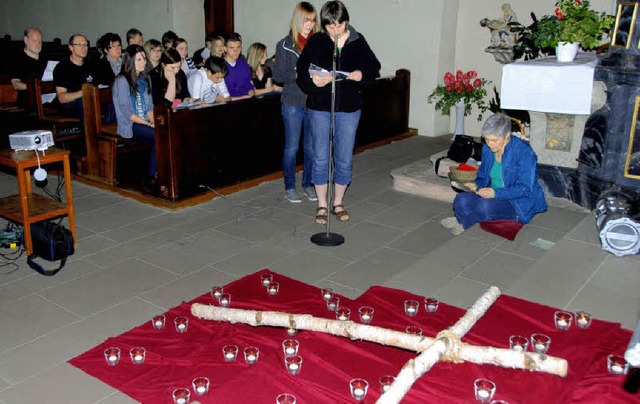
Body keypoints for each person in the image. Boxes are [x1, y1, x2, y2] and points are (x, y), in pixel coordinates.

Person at [297, 0, 380, 224]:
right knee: (321, 157)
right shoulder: (316, 41)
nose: (334, 30)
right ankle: (322, 205)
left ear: (346, 22)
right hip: (320, 108)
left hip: (349, 109)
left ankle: (338, 202)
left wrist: (362, 75)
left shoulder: (357, 41)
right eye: (330, 26)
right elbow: (302, 74)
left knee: (343, 158)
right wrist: (316, 82)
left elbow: (374, 68)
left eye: (339, 25)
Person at [441, 113, 548, 235]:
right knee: (461, 199)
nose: (490, 144)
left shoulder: (524, 152)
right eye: (487, 139)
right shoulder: (487, 149)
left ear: (507, 136)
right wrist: (476, 185)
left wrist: (495, 193)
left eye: (494, 140)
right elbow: (482, 176)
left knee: (484, 206)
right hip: (491, 193)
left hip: (517, 201)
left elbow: (525, 189)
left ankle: (465, 223)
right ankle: (464, 220)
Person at [274, 1, 319, 203]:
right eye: (306, 21)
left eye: (312, 21)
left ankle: (308, 184)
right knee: (292, 147)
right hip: (292, 101)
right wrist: (299, 71)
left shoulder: (318, 42)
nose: (309, 25)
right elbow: (279, 75)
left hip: (313, 101)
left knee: (311, 147)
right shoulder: (284, 44)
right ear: (298, 20)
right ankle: (290, 186)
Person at [112, 45, 156, 183]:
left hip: (143, 121)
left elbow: (149, 107)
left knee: (165, 131)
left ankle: (160, 170)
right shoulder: (122, 81)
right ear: (130, 61)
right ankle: (152, 174)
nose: (143, 62)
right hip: (130, 123)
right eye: (138, 59)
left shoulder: (145, 79)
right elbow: (127, 112)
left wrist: (154, 122)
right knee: (159, 136)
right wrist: (148, 124)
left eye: (144, 58)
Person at [53, 34, 100, 119]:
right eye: (79, 45)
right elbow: (61, 98)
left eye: (85, 45)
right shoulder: (62, 67)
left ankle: (104, 130)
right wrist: (84, 92)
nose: (83, 48)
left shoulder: (91, 65)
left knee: (111, 104)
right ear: (71, 47)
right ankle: (88, 131)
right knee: (85, 103)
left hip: (89, 101)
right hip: (69, 104)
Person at [10, 27, 47, 107]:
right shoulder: (17, 59)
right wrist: (35, 88)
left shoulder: (45, 58)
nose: (38, 44)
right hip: (28, 102)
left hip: (47, 101)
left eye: (40, 41)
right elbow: (16, 84)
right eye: (34, 41)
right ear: (25, 40)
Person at [223, 32, 254, 100]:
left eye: (238, 47)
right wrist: (241, 98)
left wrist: (251, 95)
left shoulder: (244, 65)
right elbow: (217, 96)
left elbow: (249, 86)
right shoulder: (219, 66)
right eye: (231, 48)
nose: (235, 51)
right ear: (225, 49)